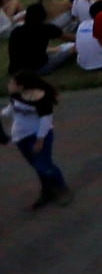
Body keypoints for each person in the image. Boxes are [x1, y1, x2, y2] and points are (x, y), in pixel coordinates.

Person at [8, 68, 69, 209]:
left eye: (12, 82)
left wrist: (40, 140)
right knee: (37, 165)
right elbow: (12, 109)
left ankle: (61, 188)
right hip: (20, 137)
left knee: (44, 165)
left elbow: (46, 120)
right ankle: (47, 190)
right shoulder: (16, 96)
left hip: (37, 136)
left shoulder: (41, 99)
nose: (9, 85)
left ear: (21, 85)